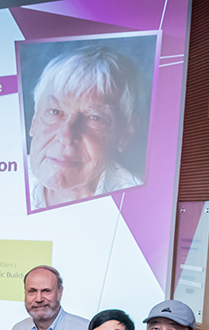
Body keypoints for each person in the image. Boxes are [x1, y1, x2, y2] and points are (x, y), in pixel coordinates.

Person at [26, 44, 144, 210]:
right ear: (34, 121)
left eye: (94, 118)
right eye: (54, 111)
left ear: (125, 134)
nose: (66, 136)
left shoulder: (141, 204)